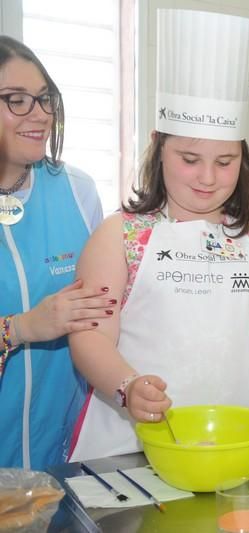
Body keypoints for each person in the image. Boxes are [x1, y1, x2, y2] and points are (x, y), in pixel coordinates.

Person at [68, 9, 249, 461]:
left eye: (225, 161)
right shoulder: (120, 235)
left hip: (237, 441)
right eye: (189, 158)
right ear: (159, 146)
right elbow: (91, 336)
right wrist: (127, 385)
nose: (208, 178)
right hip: (131, 446)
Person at [0, 36, 111, 469]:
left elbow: (103, 310)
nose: (40, 115)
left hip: (63, 452)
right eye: (17, 100)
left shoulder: (76, 190)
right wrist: (23, 327)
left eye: (45, 99)